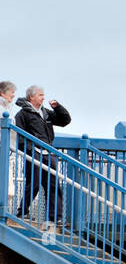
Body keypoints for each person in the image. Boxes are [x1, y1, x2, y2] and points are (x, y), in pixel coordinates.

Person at [13, 85, 71, 221]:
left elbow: (65, 121)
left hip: (48, 153)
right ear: (31, 97)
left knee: (53, 185)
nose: (43, 97)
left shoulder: (45, 113)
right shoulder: (22, 114)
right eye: (40, 95)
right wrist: (29, 149)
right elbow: (19, 136)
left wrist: (58, 107)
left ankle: (55, 217)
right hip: (34, 152)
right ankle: (23, 212)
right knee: (34, 183)